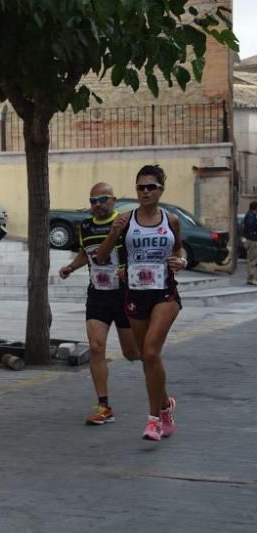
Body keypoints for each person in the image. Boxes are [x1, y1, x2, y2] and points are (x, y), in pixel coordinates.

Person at [96, 165, 187, 441]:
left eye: (151, 187)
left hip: (165, 293)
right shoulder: (125, 221)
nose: (145, 192)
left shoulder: (171, 220)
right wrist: (113, 233)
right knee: (148, 358)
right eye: (140, 187)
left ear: (161, 190)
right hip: (135, 293)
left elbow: (179, 248)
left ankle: (153, 421)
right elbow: (101, 257)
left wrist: (181, 260)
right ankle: (165, 407)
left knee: (149, 352)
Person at [58, 183, 139, 425]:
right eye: (93, 200)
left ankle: (152, 360)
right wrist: (71, 267)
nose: (98, 204)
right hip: (98, 295)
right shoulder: (85, 226)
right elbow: (86, 252)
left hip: (124, 294)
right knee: (95, 347)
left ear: (113, 200)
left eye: (103, 199)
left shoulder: (124, 224)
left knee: (132, 353)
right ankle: (103, 406)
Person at [241, 200, 257, 286]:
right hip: (252, 240)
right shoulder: (251, 216)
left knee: (252, 259)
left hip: (251, 239)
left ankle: (251, 278)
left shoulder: (251, 215)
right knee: (252, 260)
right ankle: (251, 278)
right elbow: (252, 226)